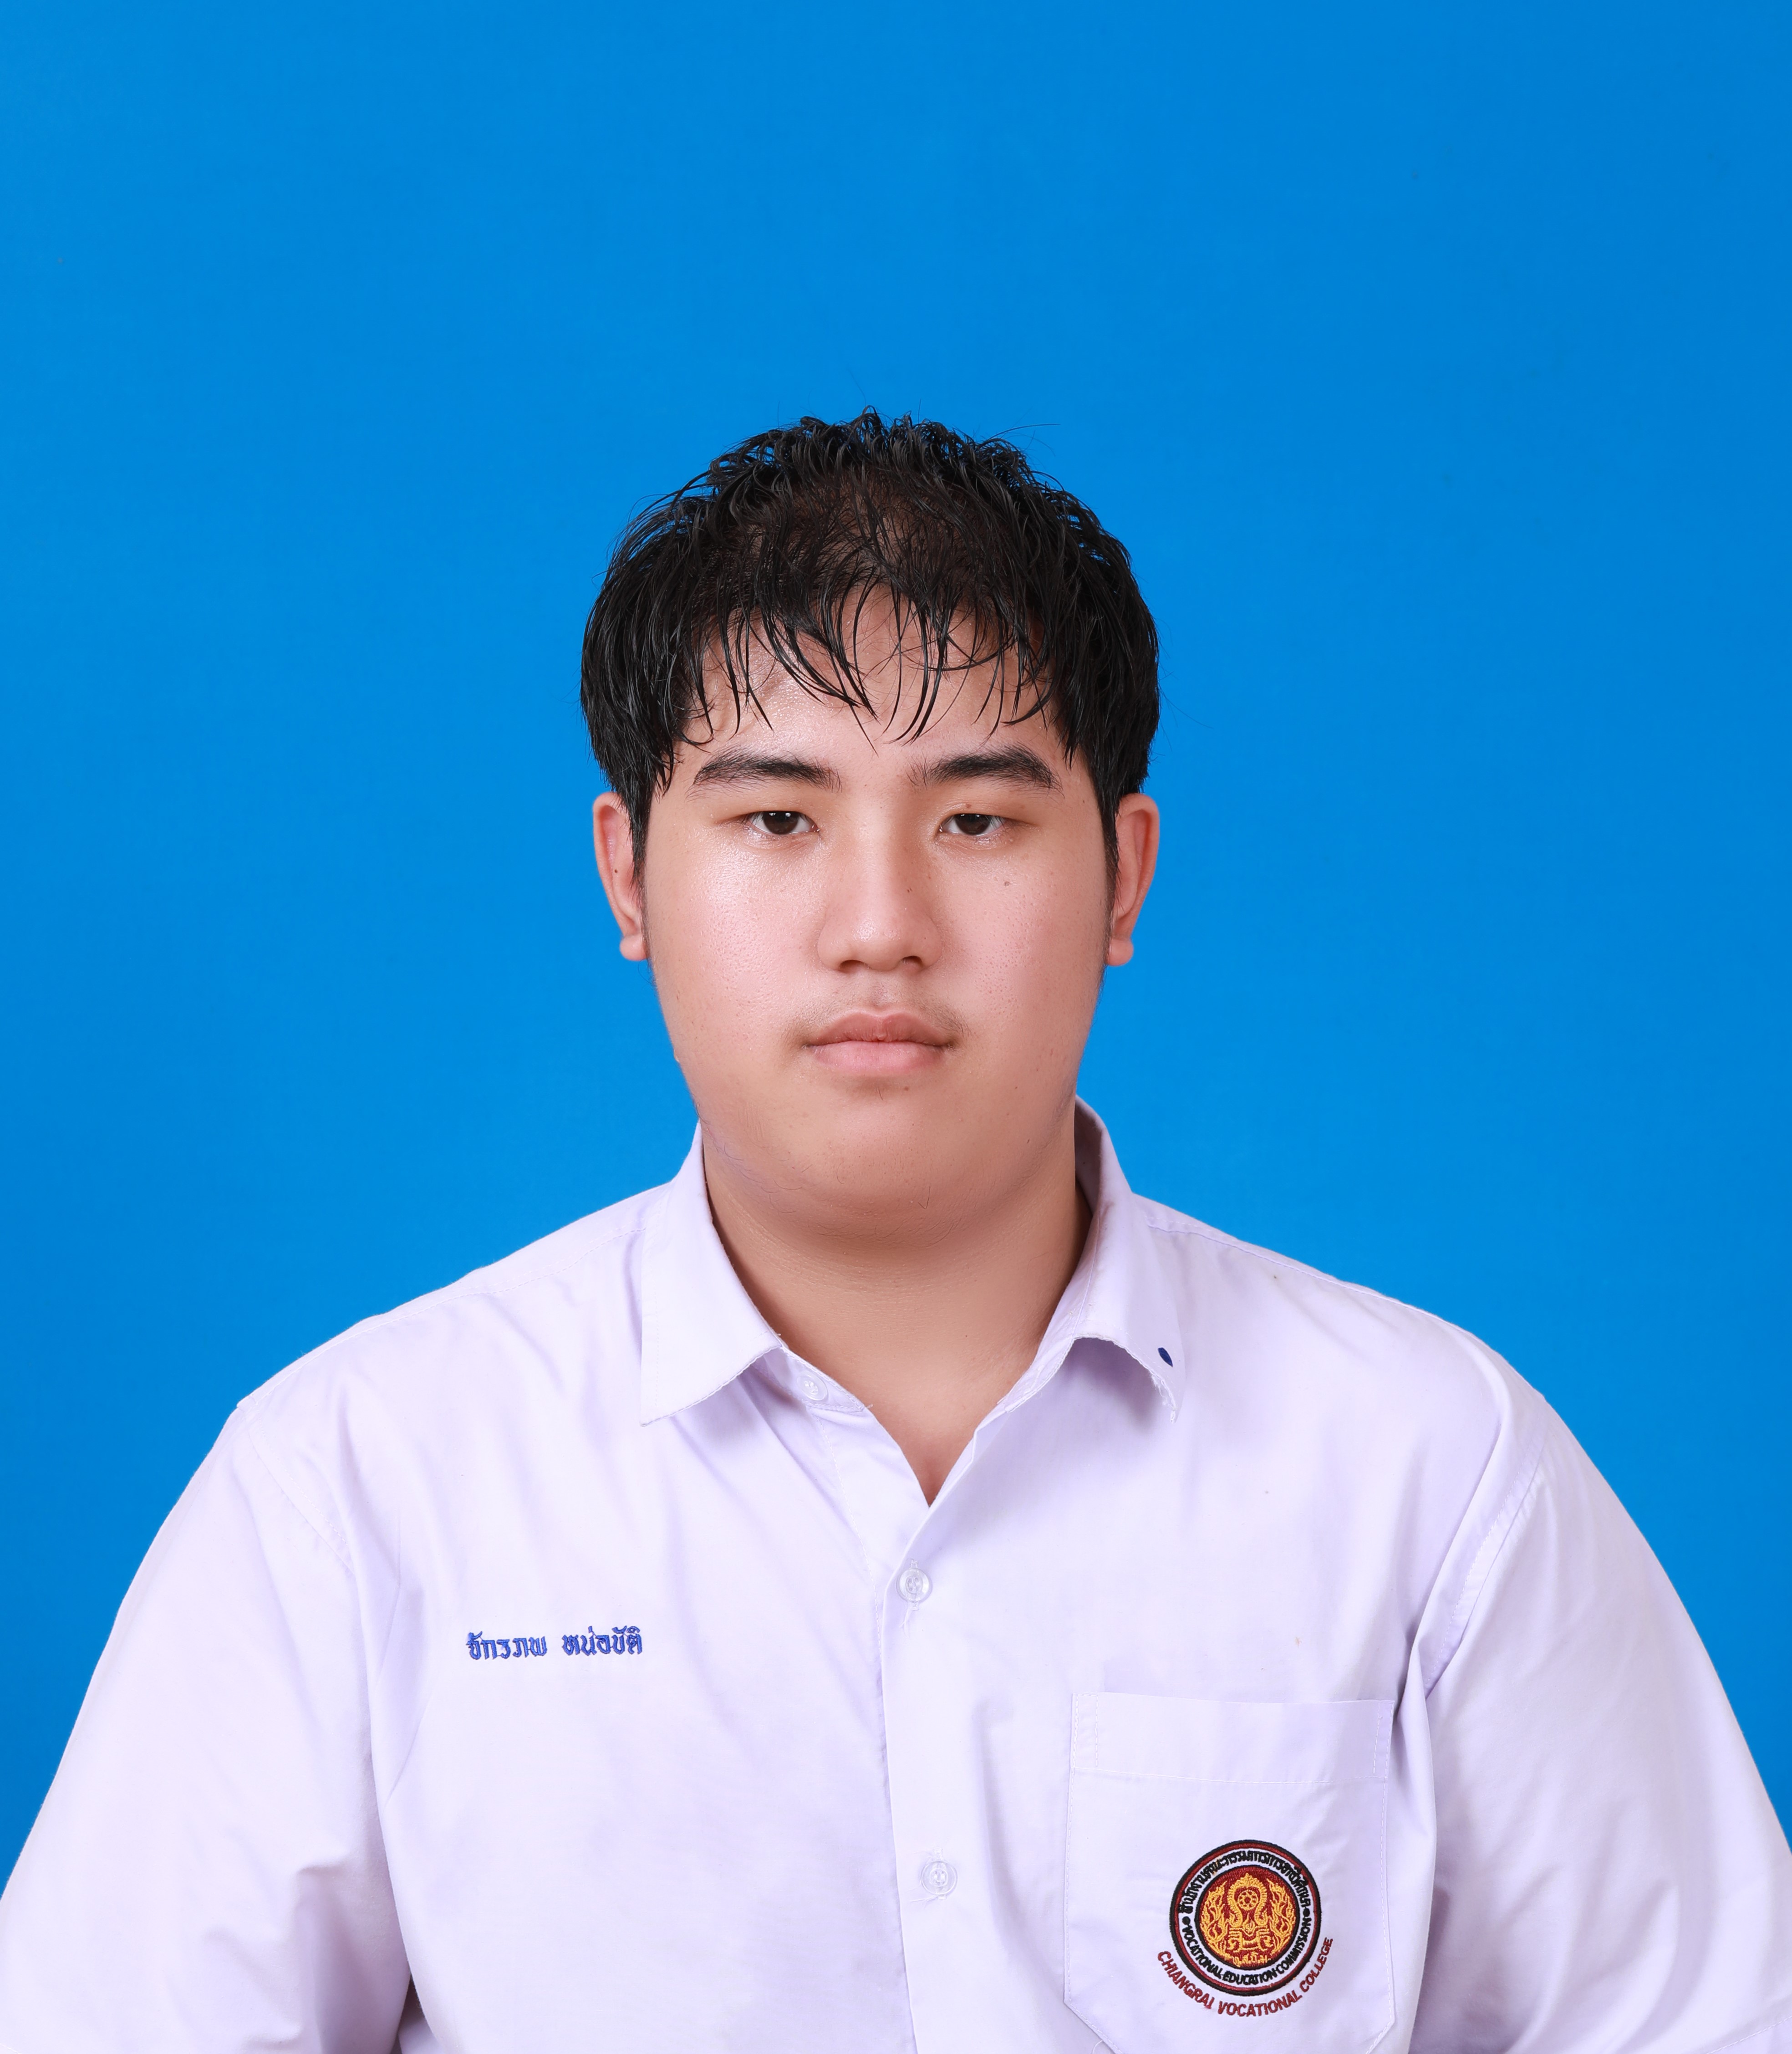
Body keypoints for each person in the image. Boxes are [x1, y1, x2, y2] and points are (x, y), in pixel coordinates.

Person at [0, 412, 1785, 2054]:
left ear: (1124, 875)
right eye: (777, 817)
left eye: (978, 818)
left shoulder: (1430, 1469)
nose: (880, 922)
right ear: (628, 874)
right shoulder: (356, 1488)